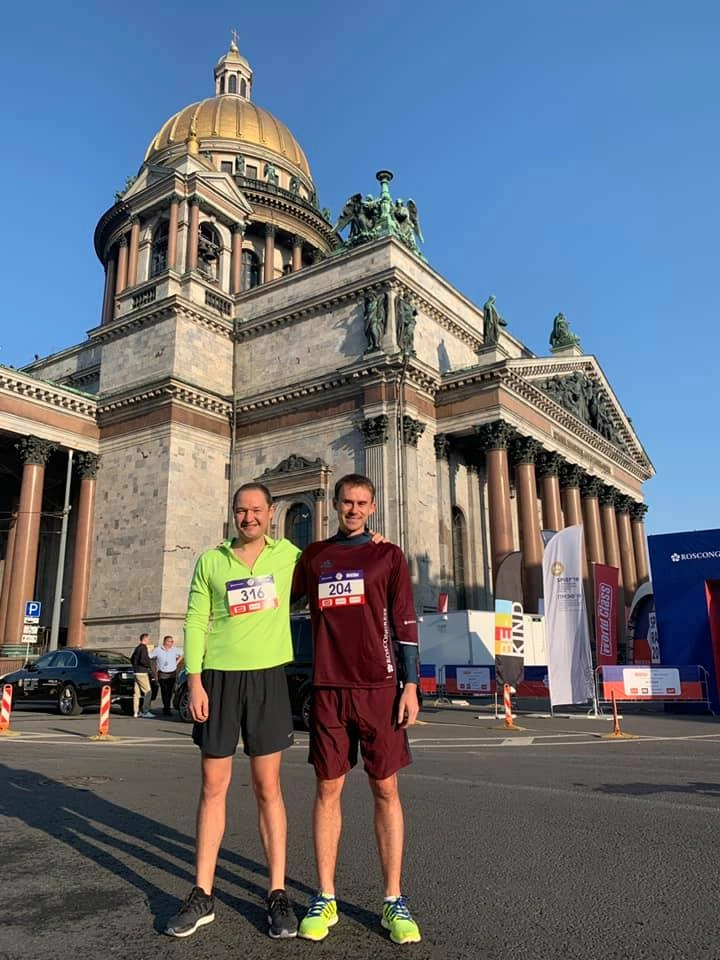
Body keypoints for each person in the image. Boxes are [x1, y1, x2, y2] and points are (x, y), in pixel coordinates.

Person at [164, 483, 300, 940]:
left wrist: (373, 540)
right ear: (234, 514)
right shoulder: (211, 560)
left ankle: (277, 892)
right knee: (213, 785)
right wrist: (196, 681)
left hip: (267, 678)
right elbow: (195, 620)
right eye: (242, 511)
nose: (249, 518)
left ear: (271, 513)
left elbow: (334, 564)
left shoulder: (289, 556)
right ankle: (202, 893)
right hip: (219, 678)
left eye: (257, 511)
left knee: (268, 787)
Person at [292, 473, 422, 945]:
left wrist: (411, 685)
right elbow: (275, 597)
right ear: (334, 504)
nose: (353, 509)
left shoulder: (388, 555)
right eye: (346, 502)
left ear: (372, 507)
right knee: (328, 789)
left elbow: (405, 621)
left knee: (385, 789)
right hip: (328, 686)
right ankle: (324, 895)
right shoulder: (314, 556)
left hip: (380, 686)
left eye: (361, 503)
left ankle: (393, 898)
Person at [150, 635, 184, 716]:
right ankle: (166, 708)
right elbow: (150, 656)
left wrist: (177, 662)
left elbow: (182, 654)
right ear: (165, 642)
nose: (171, 643)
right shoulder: (158, 649)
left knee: (170, 691)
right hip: (162, 673)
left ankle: (167, 707)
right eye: (170, 641)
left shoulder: (175, 649)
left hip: (172, 673)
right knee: (164, 691)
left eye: (172, 641)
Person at [130, 633, 154, 718]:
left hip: (136, 672)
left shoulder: (137, 648)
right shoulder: (143, 648)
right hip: (142, 672)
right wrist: (148, 665)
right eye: (148, 639)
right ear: (145, 639)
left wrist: (135, 666)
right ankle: (145, 711)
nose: (149, 641)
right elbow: (143, 660)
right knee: (148, 691)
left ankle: (135, 712)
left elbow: (132, 659)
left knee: (136, 693)